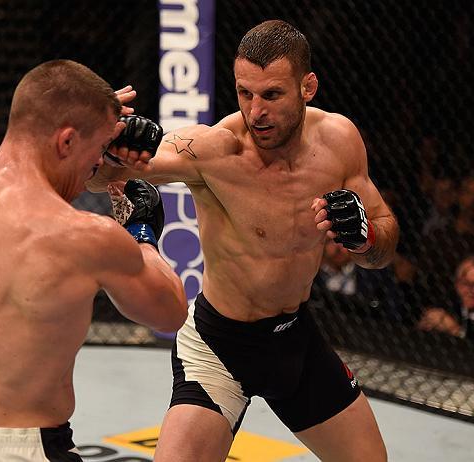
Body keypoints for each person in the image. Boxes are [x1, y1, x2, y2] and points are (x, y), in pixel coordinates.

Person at [89, 19, 398, 461]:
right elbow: (103, 179)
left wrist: (365, 238)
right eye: (244, 93)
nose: (256, 112)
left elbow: (384, 243)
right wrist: (109, 144)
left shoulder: (340, 141)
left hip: (295, 338)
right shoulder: (214, 149)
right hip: (219, 346)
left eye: (272, 94)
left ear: (307, 87)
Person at [0, 60, 187, 461]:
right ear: (66, 142)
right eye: (98, 151)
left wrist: (90, 118)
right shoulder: (88, 237)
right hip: (26, 447)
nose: (97, 167)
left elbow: (23, 200)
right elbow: (170, 313)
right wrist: (140, 232)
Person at [418, 255, 474, 342]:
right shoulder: (446, 303)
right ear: (457, 285)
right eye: (465, 283)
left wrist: (456, 331)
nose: (471, 291)